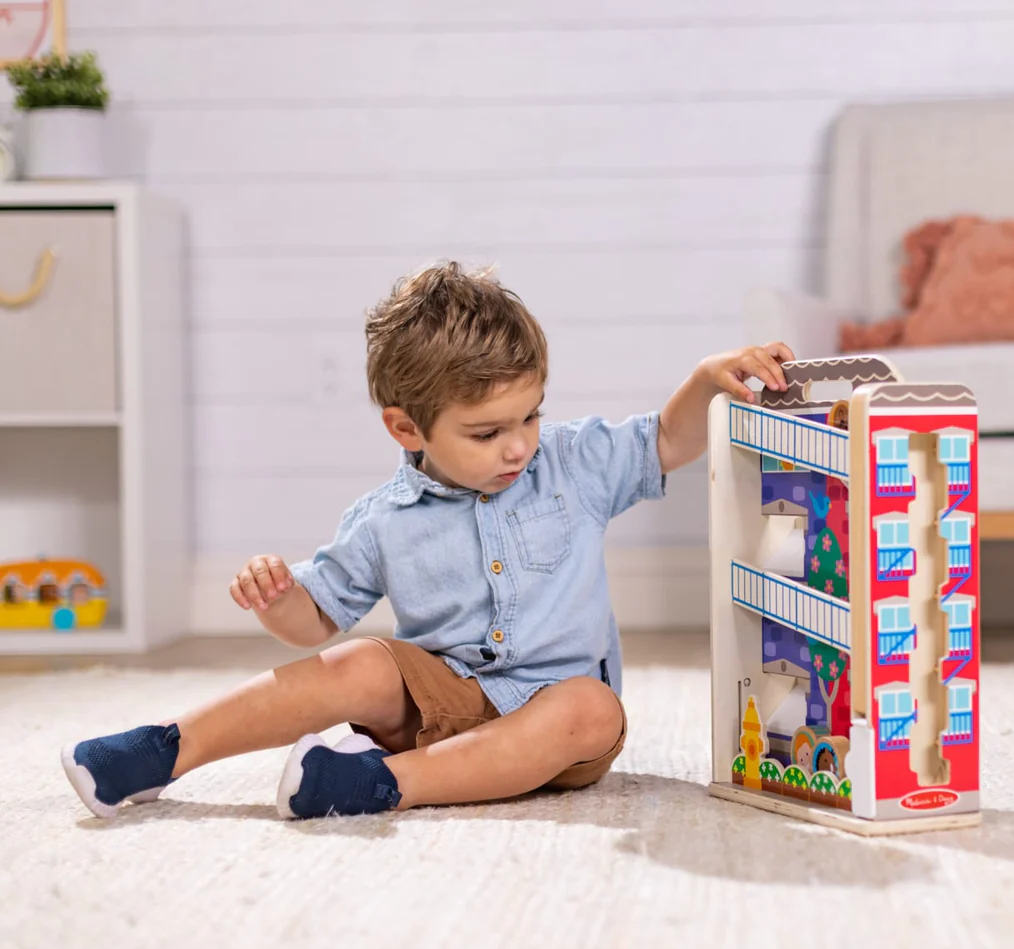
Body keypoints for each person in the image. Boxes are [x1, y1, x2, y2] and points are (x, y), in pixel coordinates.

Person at [61, 262, 790, 820]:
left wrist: (706, 382)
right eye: (487, 433)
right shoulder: (385, 517)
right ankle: (164, 749)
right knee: (356, 664)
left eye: (530, 417)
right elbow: (314, 621)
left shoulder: (572, 463)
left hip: (553, 725)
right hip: (443, 705)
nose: (518, 448)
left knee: (592, 710)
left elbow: (666, 439)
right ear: (407, 428)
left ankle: (380, 785)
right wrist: (277, 599)